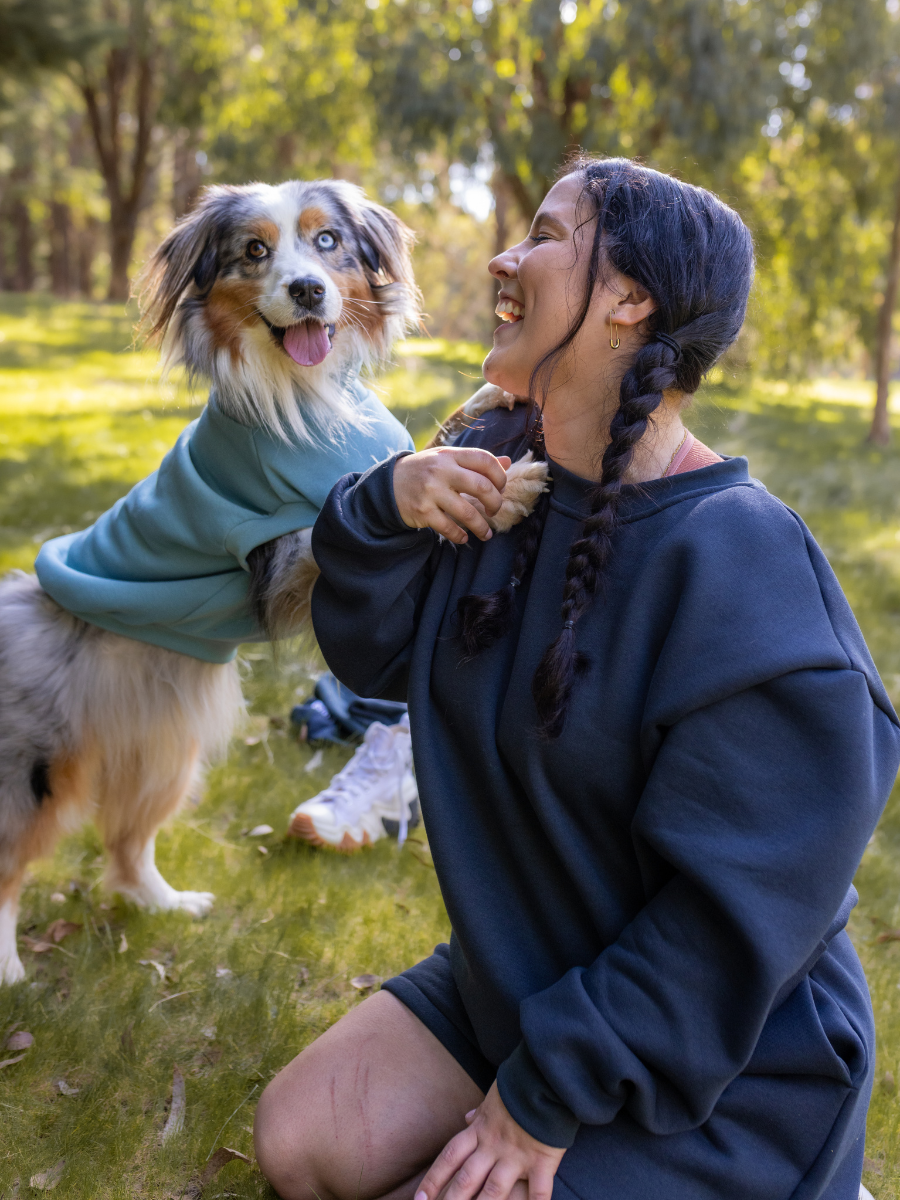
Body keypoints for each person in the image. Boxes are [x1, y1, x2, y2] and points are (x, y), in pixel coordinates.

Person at [252, 158, 900, 1200]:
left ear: (628, 301)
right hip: (524, 973)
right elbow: (376, 657)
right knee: (301, 1140)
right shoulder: (500, 467)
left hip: (722, 1061)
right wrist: (383, 507)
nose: (506, 257)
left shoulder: (750, 581)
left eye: (546, 236)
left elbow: (724, 929)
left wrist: (544, 1092)